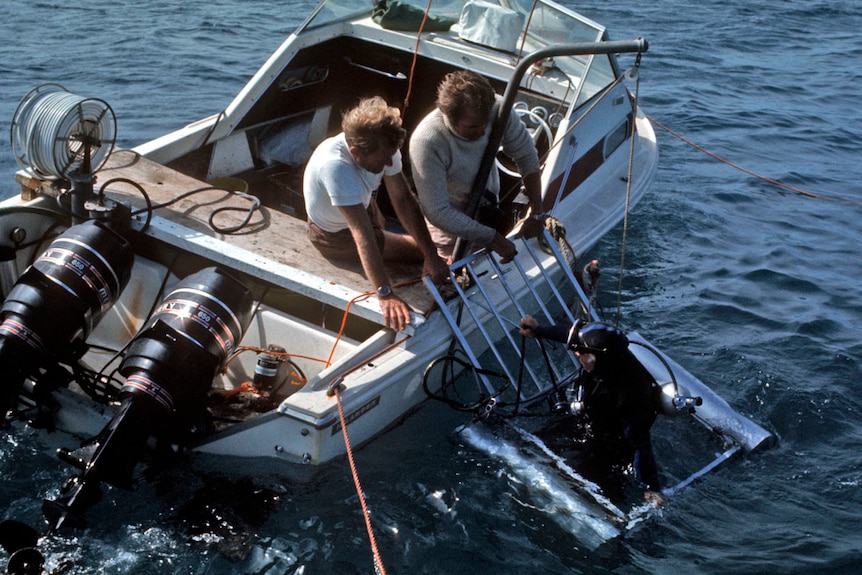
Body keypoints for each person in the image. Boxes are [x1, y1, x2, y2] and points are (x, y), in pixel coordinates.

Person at [304, 96, 449, 331]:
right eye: (382, 160)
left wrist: (431, 253)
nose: (388, 164)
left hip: (360, 207)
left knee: (431, 251)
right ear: (355, 151)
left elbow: (403, 199)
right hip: (335, 236)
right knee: (419, 252)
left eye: (391, 156)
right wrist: (384, 293)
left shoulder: (385, 148)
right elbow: (361, 234)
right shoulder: (336, 166)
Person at [519, 315, 665, 505]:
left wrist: (651, 488)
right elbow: (571, 336)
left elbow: (640, 445)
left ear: (601, 359)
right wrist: (538, 330)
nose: (577, 354)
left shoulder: (631, 397)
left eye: (581, 352)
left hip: (613, 440)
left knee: (601, 479)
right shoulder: (601, 351)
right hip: (591, 420)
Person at [409, 70, 546, 262]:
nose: (483, 132)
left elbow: (527, 158)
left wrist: (537, 212)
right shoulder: (427, 141)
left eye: (486, 123)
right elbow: (437, 212)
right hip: (448, 219)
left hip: (486, 207)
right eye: (473, 127)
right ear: (449, 116)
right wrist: (493, 238)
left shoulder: (499, 109)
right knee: (452, 272)